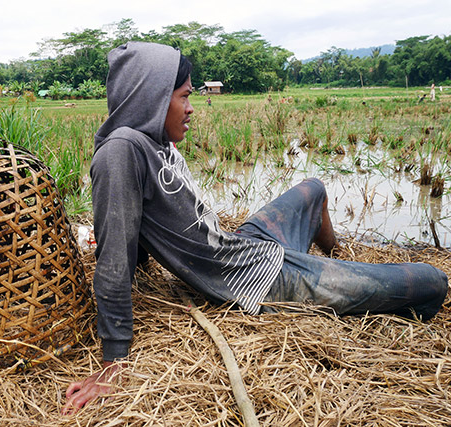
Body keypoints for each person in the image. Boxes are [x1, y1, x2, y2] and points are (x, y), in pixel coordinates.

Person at [61, 42, 448, 414]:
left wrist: (144, 261)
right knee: (432, 281)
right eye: (183, 96)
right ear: (152, 97)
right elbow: (114, 256)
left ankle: (341, 260)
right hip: (251, 277)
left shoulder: (155, 141)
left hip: (242, 245)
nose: (191, 108)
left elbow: (143, 222)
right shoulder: (121, 152)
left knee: (314, 189)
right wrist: (113, 361)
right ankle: (336, 275)